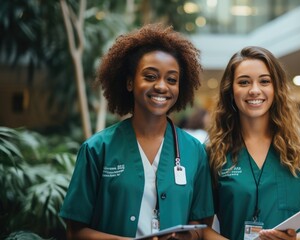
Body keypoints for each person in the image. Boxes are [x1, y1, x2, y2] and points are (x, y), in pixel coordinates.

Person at [59, 24, 213, 239]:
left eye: (171, 79)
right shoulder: (97, 149)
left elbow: (201, 224)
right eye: (150, 76)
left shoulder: (194, 151)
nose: (161, 86)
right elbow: (75, 231)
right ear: (130, 82)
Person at [203, 46, 300, 240]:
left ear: (276, 88)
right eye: (244, 82)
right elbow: (202, 227)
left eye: (265, 81)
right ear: (230, 91)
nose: (254, 90)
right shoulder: (214, 152)